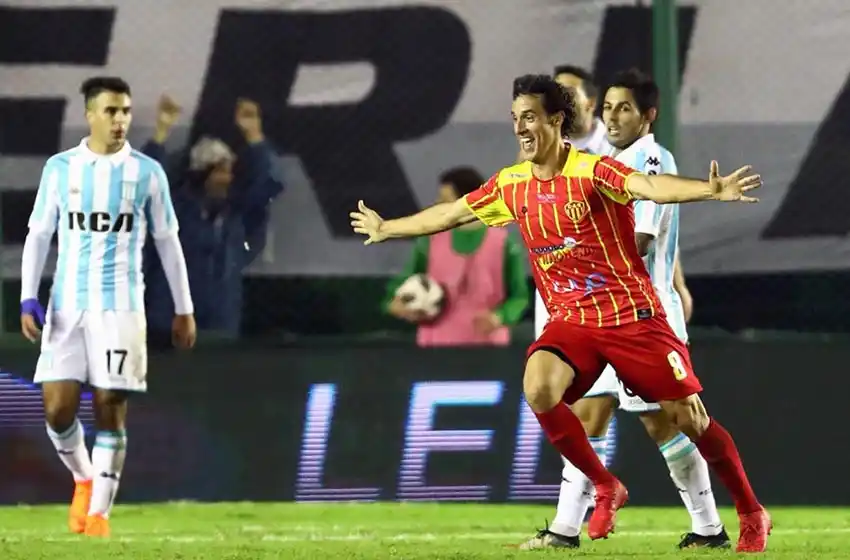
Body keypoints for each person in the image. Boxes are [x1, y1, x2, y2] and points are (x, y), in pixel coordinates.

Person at [350, 74, 771, 553]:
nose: (520, 128)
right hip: (573, 321)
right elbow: (449, 215)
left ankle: (751, 512)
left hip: (629, 315)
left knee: (688, 418)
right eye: (515, 119)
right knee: (538, 385)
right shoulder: (511, 185)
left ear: (556, 119)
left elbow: (648, 185)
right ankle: (605, 486)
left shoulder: (593, 171)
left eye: (529, 117)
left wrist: (707, 191)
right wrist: (387, 228)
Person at [522, 69, 727, 551]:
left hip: (638, 316)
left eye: (624, 108)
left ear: (648, 115)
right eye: (610, 108)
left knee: (671, 422)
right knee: (587, 414)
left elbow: (639, 238)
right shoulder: (607, 160)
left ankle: (713, 526)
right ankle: (563, 530)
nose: (613, 116)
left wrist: (570, 257)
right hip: (604, 314)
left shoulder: (649, 158)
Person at [19, 76, 196, 538]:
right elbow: (39, 234)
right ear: (91, 115)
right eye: (111, 111)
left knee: (108, 405)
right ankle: (83, 478)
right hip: (67, 305)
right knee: (57, 409)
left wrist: (184, 308)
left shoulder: (146, 173)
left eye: (126, 112)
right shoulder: (61, 169)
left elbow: (167, 241)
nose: (120, 120)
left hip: (121, 308)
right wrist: (28, 296)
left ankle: (97, 516)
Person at [535, 64, 620, 492]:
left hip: (607, 293)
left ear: (588, 102)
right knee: (562, 402)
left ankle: (569, 524)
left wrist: (674, 281)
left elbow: (649, 216)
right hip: (557, 292)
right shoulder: (543, 150)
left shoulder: (617, 147)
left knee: (666, 417)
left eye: (566, 95)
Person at [142, 95, 284, 338]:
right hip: (169, 322)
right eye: (219, 171)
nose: (226, 179)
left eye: (229, 171)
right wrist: (161, 132)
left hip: (221, 322)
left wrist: (254, 135)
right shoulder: (175, 212)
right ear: (200, 174)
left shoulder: (236, 214)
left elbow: (267, 186)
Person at [382, 167, 529, 346]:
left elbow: (519, 296)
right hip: (436, 348)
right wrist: (397, 304)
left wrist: (499, 317)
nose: (437, 205)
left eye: (445, 201)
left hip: (487, 350)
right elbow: (401, 284)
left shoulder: (504, 244)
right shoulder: (430, 240)